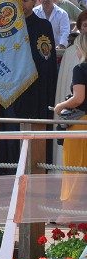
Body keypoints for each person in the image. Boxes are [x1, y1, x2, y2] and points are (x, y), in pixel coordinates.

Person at [0, 0, 58, 169]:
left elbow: (46, 60)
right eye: (18, 0)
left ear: (34, 1)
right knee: (10, 137)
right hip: (9, 91)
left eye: (25, 0)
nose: (21, 4)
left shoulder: (42, 26)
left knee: (32, 137)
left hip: (34, 90)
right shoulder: (5, 28)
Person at [54, 33, 87, 201]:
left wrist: (61, 106)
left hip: (81, 122)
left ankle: (69, 210)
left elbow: (78, 98)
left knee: (74, 166)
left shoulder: (80, 69)